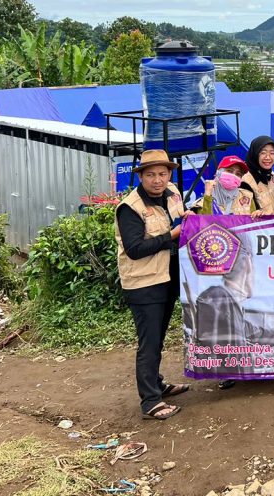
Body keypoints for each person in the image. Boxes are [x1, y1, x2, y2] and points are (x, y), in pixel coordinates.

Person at [114, 149, 192, 420]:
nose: (157, 180)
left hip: (167, 277)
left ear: (169, 174)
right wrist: (171, 235)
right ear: (141, 176)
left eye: (162, 174)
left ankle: (157, 384)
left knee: (157, 337)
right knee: (149, 342)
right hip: (144, 283)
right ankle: (150, 401)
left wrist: (189, 218)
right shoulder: (130, 207)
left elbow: (180, 218)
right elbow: (135, 249)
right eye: (150, 175)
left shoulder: (172, 193)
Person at [194, 234, 256, 391]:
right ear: (247, 261)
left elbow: (252, 331)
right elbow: (210, 350)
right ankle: (227, 378)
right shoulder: (216, 298)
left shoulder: (231, 305)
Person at [240, 136, 274, 216]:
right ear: (255, 154)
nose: (268, 157)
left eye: (272, 153)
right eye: (263, 153)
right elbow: (244, 214)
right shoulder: (245, 181)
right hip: (261, 227)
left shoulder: (271, 174)